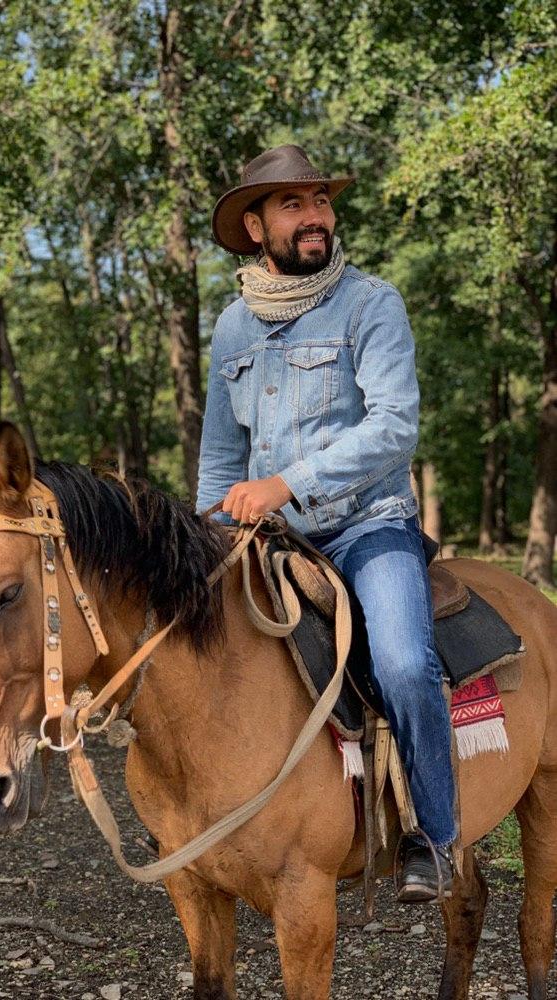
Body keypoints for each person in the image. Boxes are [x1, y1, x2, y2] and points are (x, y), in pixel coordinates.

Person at [196, 143, 456, 902]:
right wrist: (206, 540)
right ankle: (207, 814)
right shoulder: (232, 330)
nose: (316, 217)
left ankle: (434, 839)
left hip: (368, 526)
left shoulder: (372, 304)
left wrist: (285, 485)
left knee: (406, 664)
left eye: (320, 202)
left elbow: (395, 427)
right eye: (293, 204)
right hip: (270, 542)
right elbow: (219, 463)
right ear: (254, 227)